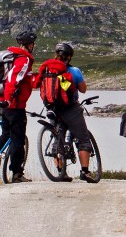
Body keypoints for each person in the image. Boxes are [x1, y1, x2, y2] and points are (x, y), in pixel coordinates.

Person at [37, 42, 97, 183]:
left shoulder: (48, 70)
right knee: (83, 139)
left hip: (52, 108)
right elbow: (83, 89)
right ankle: (85, 171)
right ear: (69, 57)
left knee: (58, 137)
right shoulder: (74, 71)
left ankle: (61, 172)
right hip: (71, 109)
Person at [0, 30, 38, 183]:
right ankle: (17, 173)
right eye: (33, 44)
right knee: (18, 139)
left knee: (6, 133)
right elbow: (14, 78)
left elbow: (25, 80)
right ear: (30, 44)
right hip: (14, 104)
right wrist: (9, 99)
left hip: (2, 100)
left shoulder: (12, 56)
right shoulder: (23, 59)